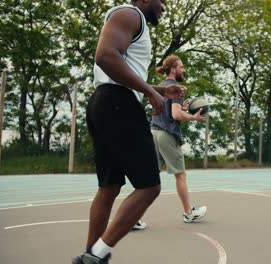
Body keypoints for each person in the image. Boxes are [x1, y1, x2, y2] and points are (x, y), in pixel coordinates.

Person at [73, 1, 186, 263]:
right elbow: (105, 56)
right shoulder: (130, 14)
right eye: (162, 1)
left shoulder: (134, 21)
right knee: (149, 187)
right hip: (118, 104)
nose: (164, 7)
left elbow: (123, 71)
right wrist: (147, 91)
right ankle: (98, 253)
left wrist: (157, 89)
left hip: (106, 102)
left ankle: (91, 255)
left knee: (109, 187)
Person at [150, 54, 208, 223]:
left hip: (153, 132)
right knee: (180, 175)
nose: (184, 69)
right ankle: (189, 212)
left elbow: (167, 110)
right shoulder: (177, 88)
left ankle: (133, 217)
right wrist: (193, 117)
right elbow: (175, 115)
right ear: (173, 69)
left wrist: (182, 109)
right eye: (181, 67)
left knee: (150, 179)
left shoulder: (159, 86)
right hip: (167, 135)